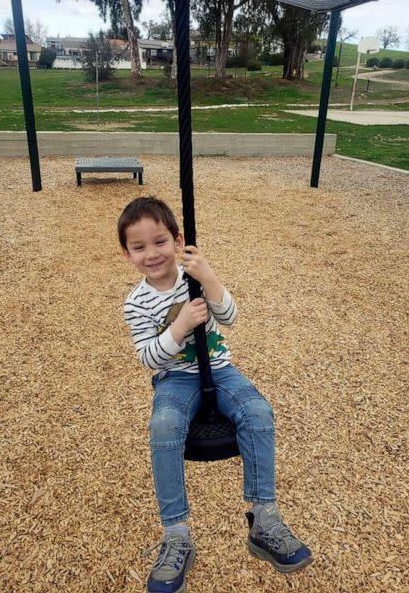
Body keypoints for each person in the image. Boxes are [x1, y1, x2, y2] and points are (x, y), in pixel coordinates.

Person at [118, 196, 313, 593]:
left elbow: (230, 316)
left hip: (221, 370)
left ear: (178, 240)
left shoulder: (195, 277)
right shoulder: (136, 303)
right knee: (164, 424)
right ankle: (176, 534)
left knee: (258, 411)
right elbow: (149, 358)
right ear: (126, 253)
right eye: (139, 247)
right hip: (175, 379)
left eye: (160, 242)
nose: (152, 254)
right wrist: (180, 325)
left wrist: (208, 278)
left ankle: (264, 517)